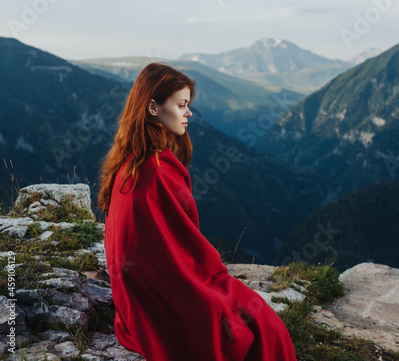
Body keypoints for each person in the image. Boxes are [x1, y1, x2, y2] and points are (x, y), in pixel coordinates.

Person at [97, 62, 298, 361]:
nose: (189, 113)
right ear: (152, 108)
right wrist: (209, 273)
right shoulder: (156, 170)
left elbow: (162, 244)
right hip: (156, 291)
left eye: (187, 105)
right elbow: (177, 249)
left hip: (135, 295)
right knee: (259, 324)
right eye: (181, 105)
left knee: (250, 315)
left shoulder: (131, 162)